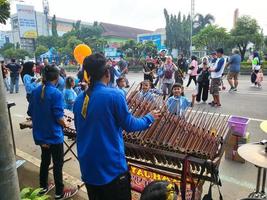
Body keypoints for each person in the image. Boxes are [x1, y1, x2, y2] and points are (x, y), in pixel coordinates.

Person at [73, 53, 161, 200]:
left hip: (88, 169)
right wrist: (149, 117)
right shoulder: (114, 95)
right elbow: (130, 124)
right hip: (111, 170)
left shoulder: (79, 99)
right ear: (107, 73)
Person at [27, 65, 78, 199]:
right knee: (57, 164)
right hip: (54, 136)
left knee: (45, 161)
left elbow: (30, 112)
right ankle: (59, 193)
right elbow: (59, 117)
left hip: (40, 135)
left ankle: (43, 187)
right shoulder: (56, 93)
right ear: (57, 77)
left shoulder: (35, 92)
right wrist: (66, 123)